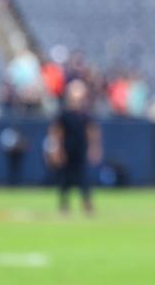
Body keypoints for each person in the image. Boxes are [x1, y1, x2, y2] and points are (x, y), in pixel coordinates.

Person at [48, 79, 102, 215]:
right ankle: (64, 204)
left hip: (80, 149)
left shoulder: (85, 115)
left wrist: (94, 148)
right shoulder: (64, 114)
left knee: (83, 177)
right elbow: (56, 132)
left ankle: (87, 203)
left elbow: (92, 132)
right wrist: (56, 149)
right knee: (65, 178)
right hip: (67, 149)